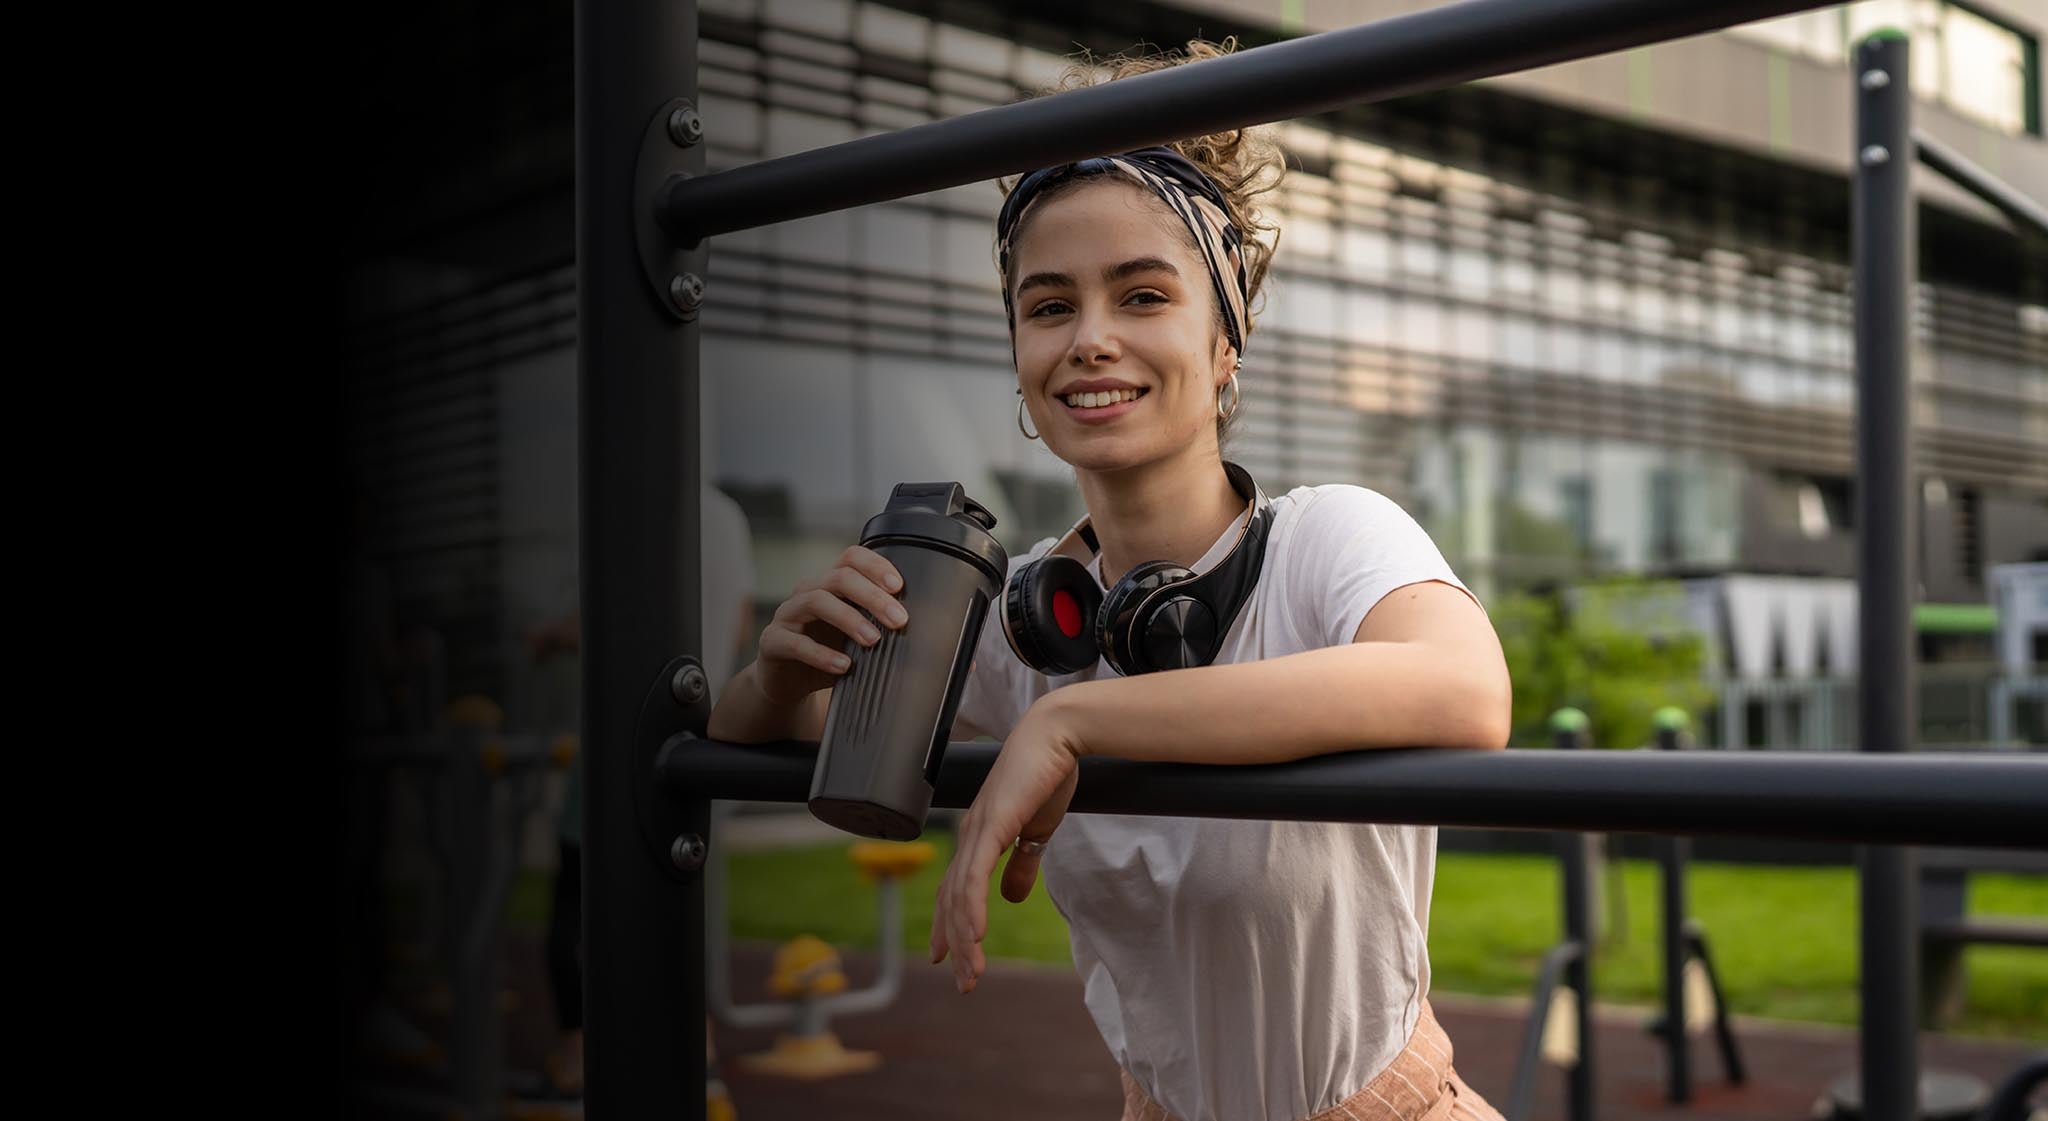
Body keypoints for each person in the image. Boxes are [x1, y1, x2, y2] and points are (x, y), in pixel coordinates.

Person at [707, 38, 1512, 1121]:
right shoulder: (1027, 610)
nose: (1090, 340)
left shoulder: (1327, 536)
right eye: (1048, 308)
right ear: (1019, 359)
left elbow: (1465, 691)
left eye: (1141, 295)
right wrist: (774, 671)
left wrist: (1078, 721)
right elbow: (774, 733)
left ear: (1223, 340)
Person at [530, 482, 756, 1098]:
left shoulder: (633, 506)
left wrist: (551, 638)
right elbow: (738, 618)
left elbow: (607, 618)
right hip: (704, 724)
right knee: (678, 895)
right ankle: (700, 1054)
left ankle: (579, 1054)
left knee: (578, 898)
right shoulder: (728, 516)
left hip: (624, 731)